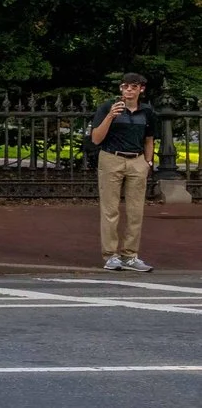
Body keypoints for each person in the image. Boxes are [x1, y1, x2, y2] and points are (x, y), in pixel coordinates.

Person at [88, 72, 162, 273]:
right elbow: (96, 138)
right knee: (110, 209)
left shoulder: (147, 112)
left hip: (136, 160)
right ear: (121, 88)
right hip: (111, 158)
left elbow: (149, 139)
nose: (129, 90)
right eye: (125, 87)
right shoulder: (107, 107)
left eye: (133, 87)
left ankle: (130, 255)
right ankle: (111, 255)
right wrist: (111, 116)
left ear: (141, 89)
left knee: (135, 211)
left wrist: (147, 162)